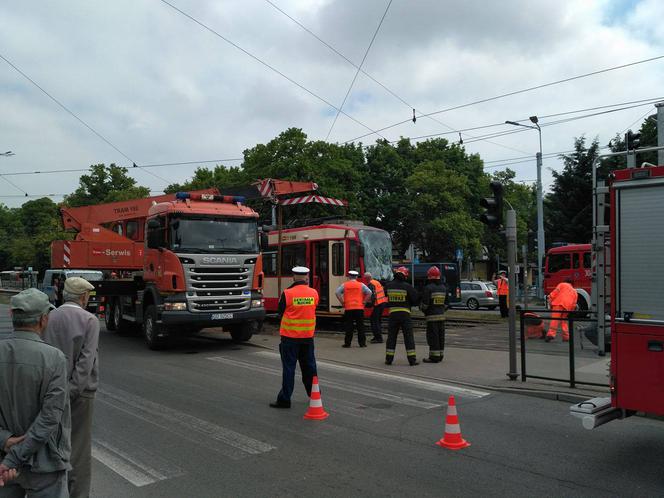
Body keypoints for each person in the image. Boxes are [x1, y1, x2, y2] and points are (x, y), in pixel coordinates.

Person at [0, 288, 71, 497]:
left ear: (12, 315)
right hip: (45, 463)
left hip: (3, 462)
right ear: (43, 319)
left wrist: (5, 441)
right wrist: (15, 457)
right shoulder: (55, 358)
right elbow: (50, 419)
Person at [43, 277, 99, 498]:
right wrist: (72, 391)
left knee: (53, 444)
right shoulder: (89, 320)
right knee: (79, 450)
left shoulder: (49, 317)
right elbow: (86, 362)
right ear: (83, 297)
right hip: (80, 394)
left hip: (51, 391)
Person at [270, 266, 320, 409]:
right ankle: (314, 394)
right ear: (307, 276)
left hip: (289, 338)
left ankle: (285, 400)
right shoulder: (314, 293)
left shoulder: (287, 293)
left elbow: (280, 312)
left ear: (293, 276)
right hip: (307, 338)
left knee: (289, 369)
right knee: (310, 367)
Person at [384, 266, 420, 366]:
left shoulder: (388, 286)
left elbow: (384, 298)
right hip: (405, 314)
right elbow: (415, 299)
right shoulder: (407, 286)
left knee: (391, 337)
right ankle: (412, 360)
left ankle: (389, 359)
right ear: (405, 275)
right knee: (408, 337)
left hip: (393, 315)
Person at [335, 270, 372, 348]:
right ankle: (362, 343)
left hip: (349, 309)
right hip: (359, 308)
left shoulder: (345, 285)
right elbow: (369, 292)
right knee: (360, 326)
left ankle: (347, 343)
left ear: (349, 276)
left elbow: (337, 292)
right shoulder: (361, 285)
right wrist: (365, 301)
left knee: (349, 327)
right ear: (356, 277)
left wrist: (342, 302)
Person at [420, 266, 447, 363]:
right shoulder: (443, 288)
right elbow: (447, 304)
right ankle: (440, 355)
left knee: (433, 337)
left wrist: (422, 309)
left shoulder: (428, 288)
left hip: (431, 317)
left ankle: (434, 357)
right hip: (441, 317)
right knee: (441, 337)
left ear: (429, 277)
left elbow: (425, 304)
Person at [363, 272, 387, 344]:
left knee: (374, 321)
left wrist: (367, 304)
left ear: (367, 278)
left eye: (365, 278)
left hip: (378, 304)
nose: (365, 279)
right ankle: (377, 337)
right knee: (377, 321)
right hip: (382, 303)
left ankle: (378, 338)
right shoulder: (376, 282)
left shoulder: (371, 284)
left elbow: (372, 296)